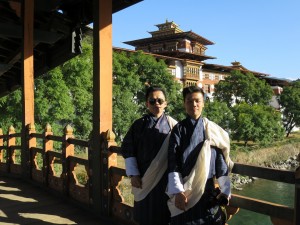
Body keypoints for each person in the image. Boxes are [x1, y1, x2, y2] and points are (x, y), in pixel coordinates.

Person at [167, 86, 234, 225]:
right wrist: (178, 192)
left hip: (208, 191)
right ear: (184, 104)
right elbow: (173, 162)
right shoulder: (179, 130)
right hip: (185, 191)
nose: (194, 105)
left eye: (197, 101)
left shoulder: (212, 130)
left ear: (203, 102)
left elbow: (221, 164)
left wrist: (225, 190)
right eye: (189, 101)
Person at [121, 86, 177, 225]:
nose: (156, 103)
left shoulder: (174, 126)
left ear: (165, 103)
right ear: (147, 104)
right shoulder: (138, 125)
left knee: (164, 216)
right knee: (143, 216)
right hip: (143, 178)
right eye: (152, 101)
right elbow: (128, 149)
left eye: (159, 100)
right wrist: (134, 174)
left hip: (165, 180)